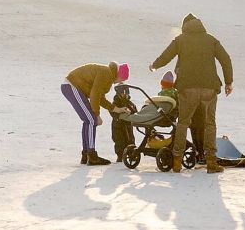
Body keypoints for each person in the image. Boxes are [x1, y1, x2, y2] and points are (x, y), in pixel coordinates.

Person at [150, 13, 233, 174]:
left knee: (183, 123)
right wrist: (228, 82)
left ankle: (176, 162)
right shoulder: (211, 40)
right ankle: (210, 162)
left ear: (184, 27)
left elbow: (166, 56)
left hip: (187, 88)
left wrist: (154, 65)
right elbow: (226, 59)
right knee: (210, 124)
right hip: (209, 88)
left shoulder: (181, 40)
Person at [63, 62, 130, 166]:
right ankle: (92, 156)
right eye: (122, 79)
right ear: (119, 74)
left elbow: (100, 98)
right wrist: (97, 115)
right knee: (91, 120)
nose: (120, 82)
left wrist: (116, 109)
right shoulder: (106, 73)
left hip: (72, 87)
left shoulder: (108, 75)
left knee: (88, 120)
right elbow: (95, 94)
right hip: (72, 86)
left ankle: (86, 155)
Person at [159, 70, 206, 164]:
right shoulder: (176, 91)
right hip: (194, 112)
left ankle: (198, 153)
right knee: (198, 131)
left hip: (188, 112)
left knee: (195, 130)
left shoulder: (161, 93)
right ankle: (199, 154)